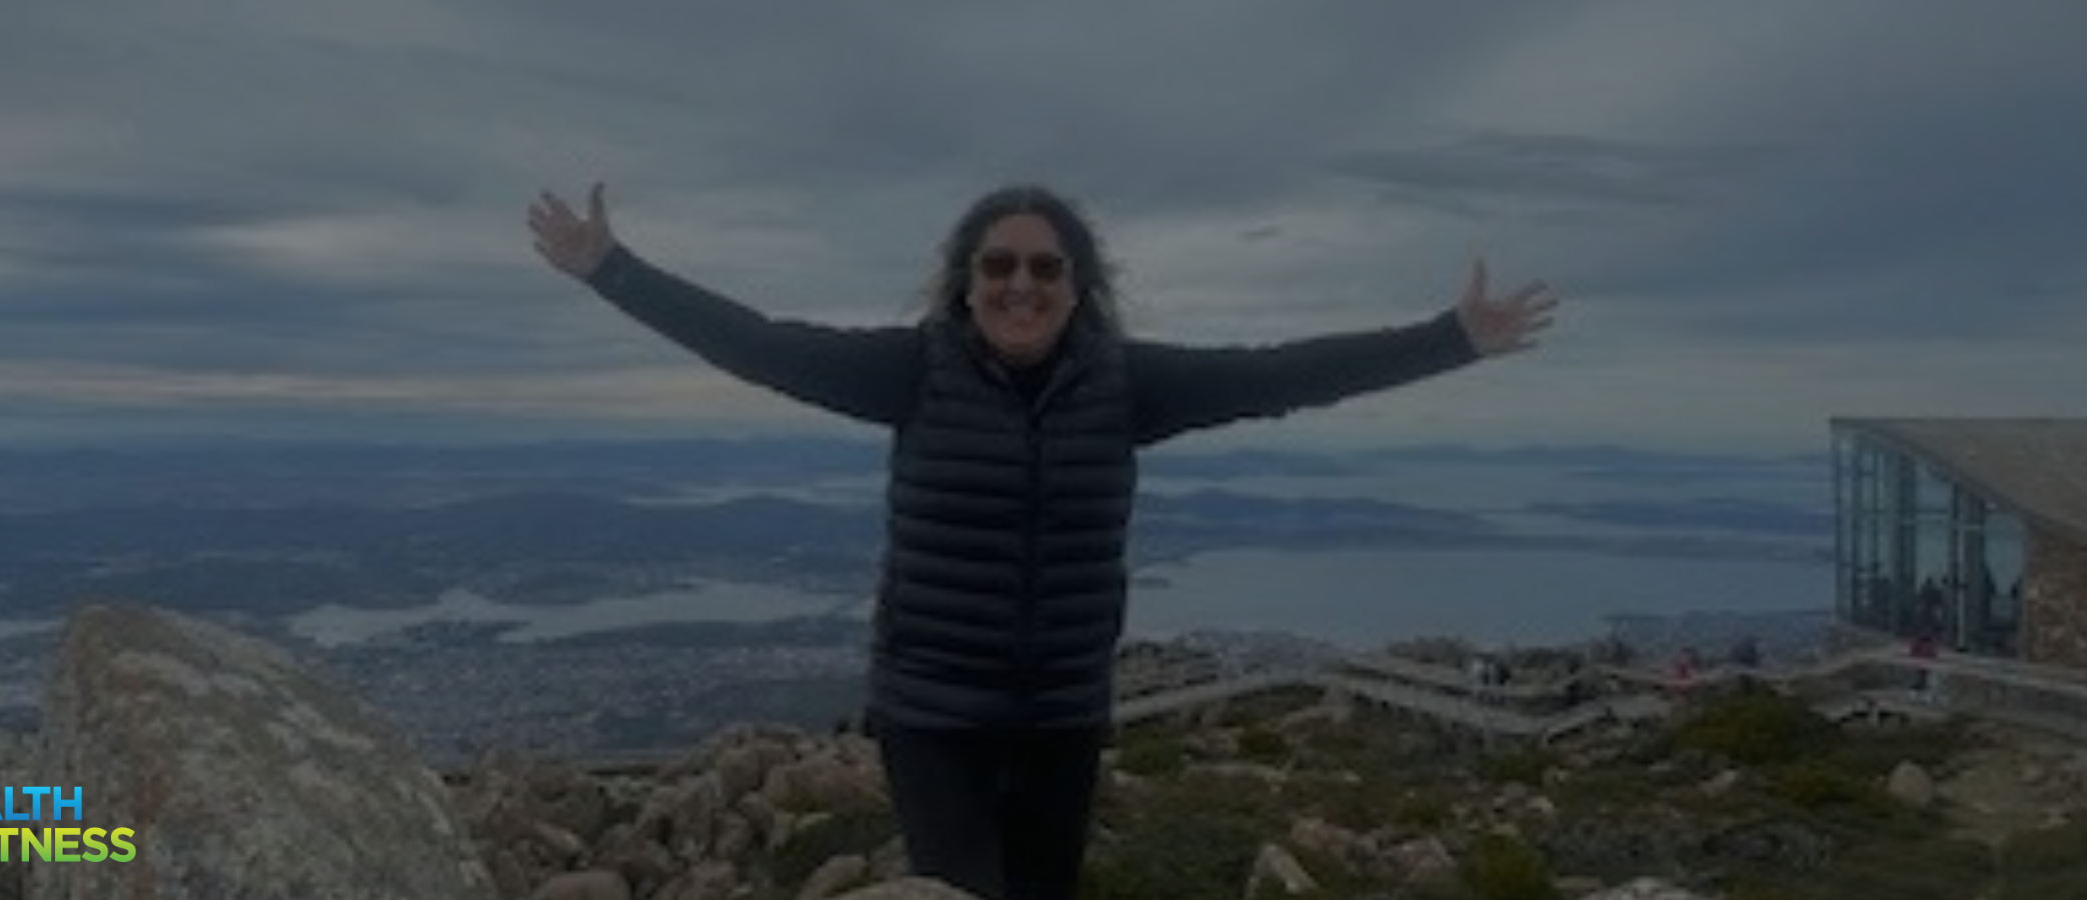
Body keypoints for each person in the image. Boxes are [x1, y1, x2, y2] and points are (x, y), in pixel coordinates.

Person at [526, 181, 1558, 900]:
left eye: (1044, 267)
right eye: (999, 265)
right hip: (934, 710)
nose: (1020, 284)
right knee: (964, 893)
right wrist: (611, 269)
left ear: (1077, 283)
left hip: (1062, 708)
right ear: (966, 280)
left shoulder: (1127, 383)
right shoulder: (912, 370)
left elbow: (1279, 374)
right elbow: (759, 345)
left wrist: (1451, 340)